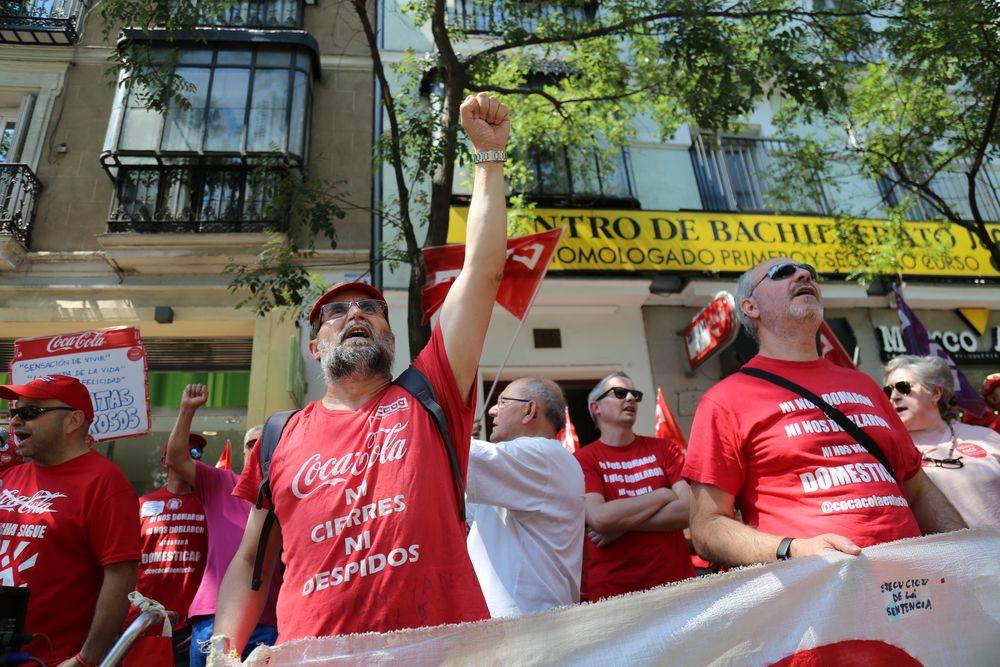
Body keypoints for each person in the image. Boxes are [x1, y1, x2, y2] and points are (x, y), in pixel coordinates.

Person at [211, 92, 510, 652]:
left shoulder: (432, 390)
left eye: (370, 309)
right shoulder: (278, 436)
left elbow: (484, 271)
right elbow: (252, 560)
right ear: (314, 342)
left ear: (390, 337)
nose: (355, 315)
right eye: (336, 312)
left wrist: (488, 160)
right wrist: (221, 650)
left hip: (442, 654)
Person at [684, 259, 966, 568]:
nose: (804, 275)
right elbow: (706, 526)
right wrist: (794, 550)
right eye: (782, 273)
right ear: (751, 306)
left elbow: (918, 489)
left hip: (915, 582)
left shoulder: (864, 385)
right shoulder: (725, 400)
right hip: (816, 597)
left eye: (809, 272)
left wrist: (972, 555)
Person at [0, 374, 139, 666]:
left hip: (52, 658)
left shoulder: (106, 483)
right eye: (14, 412)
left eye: (29, 413)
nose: (14, 422)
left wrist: (87, 658)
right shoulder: (10, 476)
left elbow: (120, 577)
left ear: (73, 421)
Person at [163, 385, 279, 666]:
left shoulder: (288, 493)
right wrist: (187, 410)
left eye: (266, 444)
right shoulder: (221, 482)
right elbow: (176, 458)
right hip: (215, 616)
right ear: (243, 453)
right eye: (252, 444)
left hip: (272, 618)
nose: (258, 449)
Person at [467, 377, 585, 617]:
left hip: (530, 626)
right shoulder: (524, 465)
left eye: (502, 401)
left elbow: (460, 457)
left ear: (529, 410)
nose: (491, 410)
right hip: (517, 625)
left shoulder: (543, 454)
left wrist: (458, 433)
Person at [574, 372, 693, 601]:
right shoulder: (583, 459)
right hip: (614, 592)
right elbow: (599, 518)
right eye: (619, 393)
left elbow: (689, 509)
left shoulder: (666, 449)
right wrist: (662, 494)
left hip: (674, 585)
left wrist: (621, 526)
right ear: (596, 407)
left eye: (635, 395)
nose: (630, 398)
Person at [884, 355, 1000, 528]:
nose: (894, 396)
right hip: (939, 553)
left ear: (936, 393)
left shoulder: (986, 436)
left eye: (903, 387)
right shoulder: (885, 449)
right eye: (888, 391)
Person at [126, 434, 210, 666]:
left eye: (196, 454)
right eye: (185, 451)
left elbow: (220, 567)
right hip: (143, 622)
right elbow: (125, 565)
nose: (192, 457)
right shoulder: (142, 504)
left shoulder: (209, 505)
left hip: (189, 628)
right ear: (166, 460)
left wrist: (206, 623)